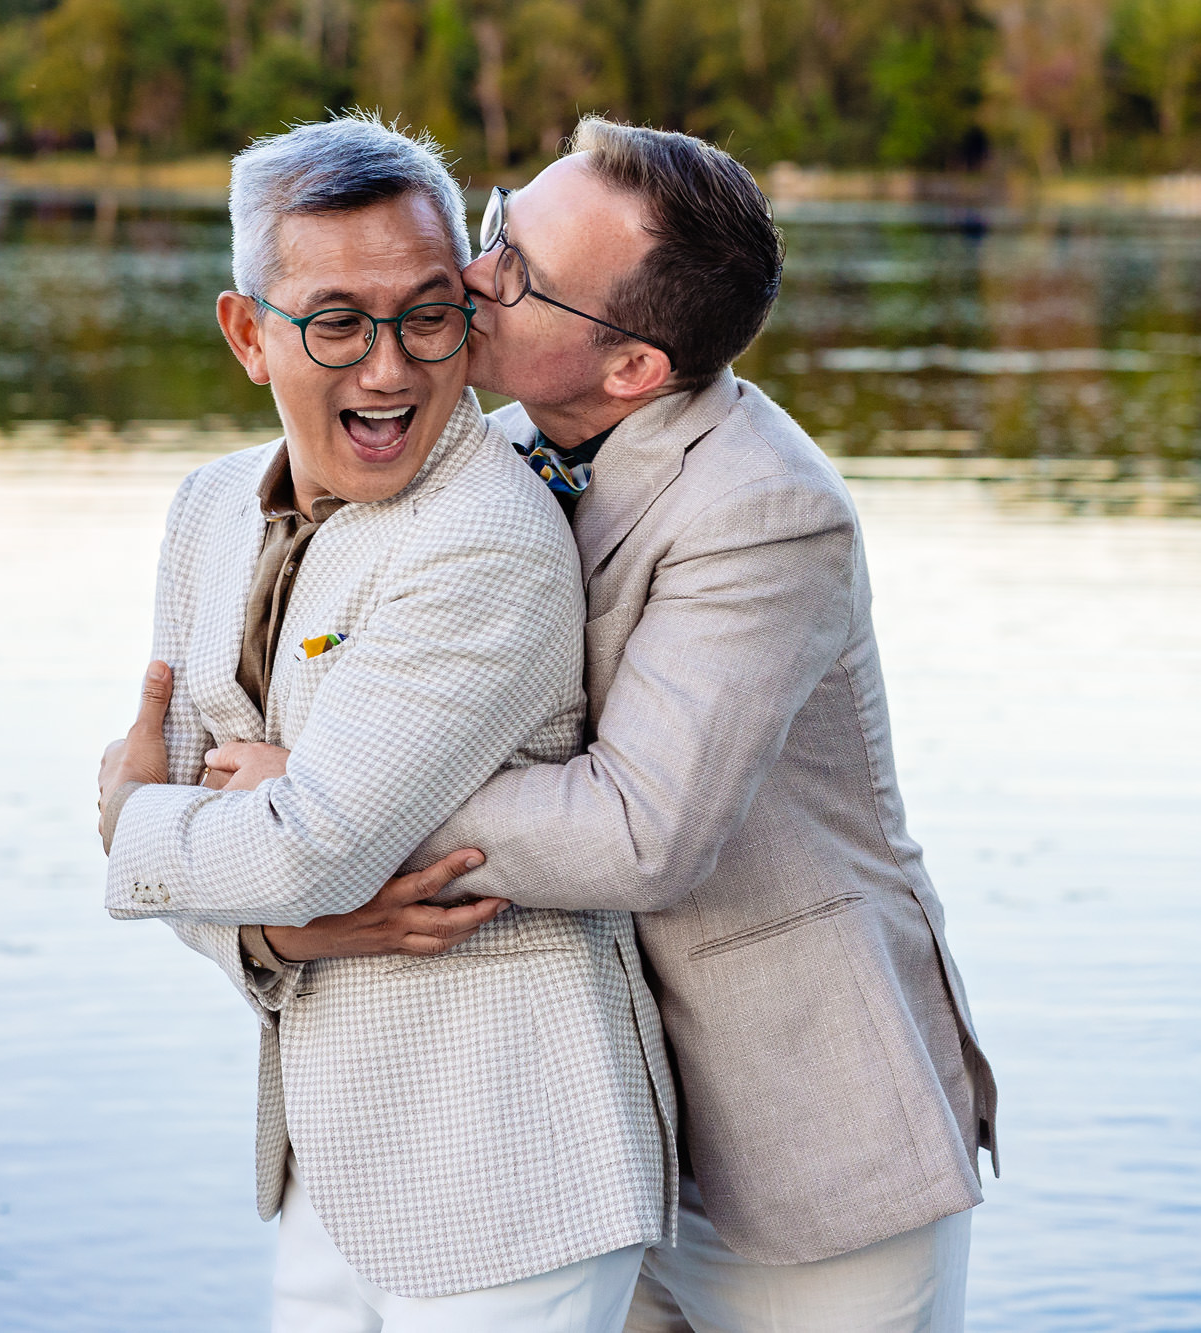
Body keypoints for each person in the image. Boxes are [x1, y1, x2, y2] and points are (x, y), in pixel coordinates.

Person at [198, 116, 999, 1332]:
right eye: (495, 227)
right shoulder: (492, 452)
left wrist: (324, 785)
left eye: (516, 274)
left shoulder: (766, 513)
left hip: (793, 1148)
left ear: (630, 369)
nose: (470, 279)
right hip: (572, 1131)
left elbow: (640, 833)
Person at [94, 113, 673, 1331]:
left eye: (426, 315)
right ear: (249, 334)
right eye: (338, 322)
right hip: (328, 1164)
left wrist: (130, 824)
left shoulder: (488, 540)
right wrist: (281, 939)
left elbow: (306, 848)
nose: (389, 368)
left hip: (508, 1172)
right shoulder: (207, 510)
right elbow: (254, 872)